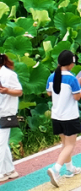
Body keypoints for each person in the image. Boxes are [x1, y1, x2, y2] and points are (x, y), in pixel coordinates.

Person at [46, 50, 81, 187]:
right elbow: (77, 97)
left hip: (56, 116)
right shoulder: (72, 78)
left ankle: (70, 169)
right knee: (70, 145)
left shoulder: (51, 77)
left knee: (64, 144)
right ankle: (56, 169)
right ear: (70, 63)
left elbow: (49, 93)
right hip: (70, 117)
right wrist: (78, 83)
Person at [0, 52, 23, 181]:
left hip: (6, 112)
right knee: (2, 143)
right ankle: (10, 170)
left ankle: (1, 172)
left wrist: (7, 91)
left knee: (0, 143)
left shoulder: (9, 74)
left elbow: (19, 91)